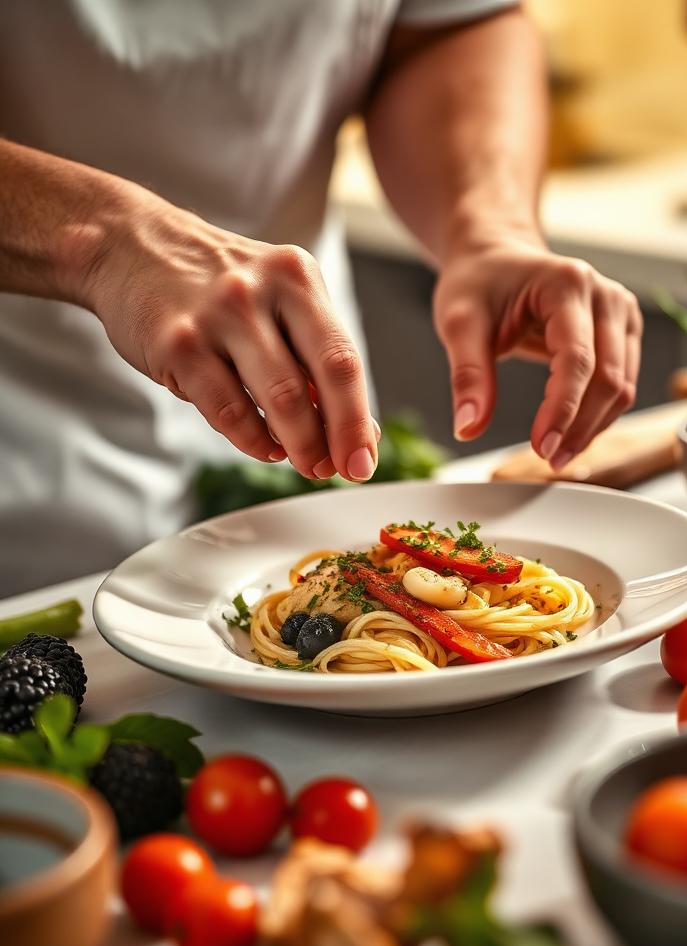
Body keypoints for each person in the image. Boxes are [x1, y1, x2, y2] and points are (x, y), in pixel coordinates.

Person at [0, 1, 642, 597]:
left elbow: (446, 26)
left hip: (296, 413)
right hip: (26, 457)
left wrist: (489, 227)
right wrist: (101, 241)